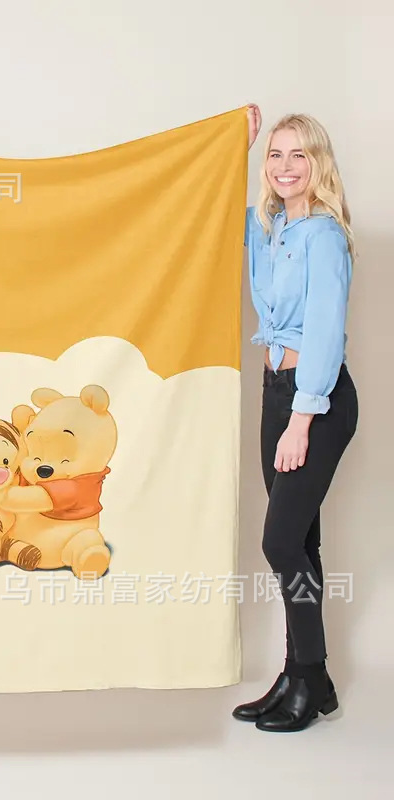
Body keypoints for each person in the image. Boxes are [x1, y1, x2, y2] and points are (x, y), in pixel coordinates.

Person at [232, 105, 358, 732]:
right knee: (301, 543)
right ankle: (301, 675)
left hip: (317, 400)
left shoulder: (325, 236)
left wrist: (301, 420)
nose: (285, 167)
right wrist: (232, 145)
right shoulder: (269, 226)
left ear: (319, 163)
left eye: (298, 155)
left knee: (280, 542)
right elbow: (207, 212)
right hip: (275, 392)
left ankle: (309, 673)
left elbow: (327, 336)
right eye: (275, 155)